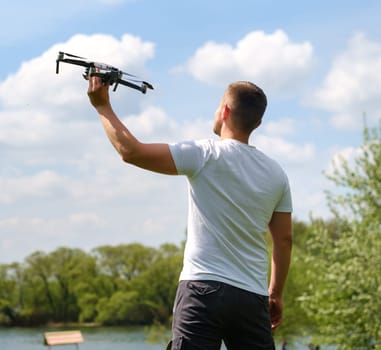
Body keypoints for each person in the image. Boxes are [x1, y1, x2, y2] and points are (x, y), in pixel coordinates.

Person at [87, 76, 293, 350]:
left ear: (225, 112)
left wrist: (102, 107)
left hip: (201, 291)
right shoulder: (277, 174)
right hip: (251, 297)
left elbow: (131, 152)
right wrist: (275, 294)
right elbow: (284, 240)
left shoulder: (205, 153)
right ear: (258, 123)